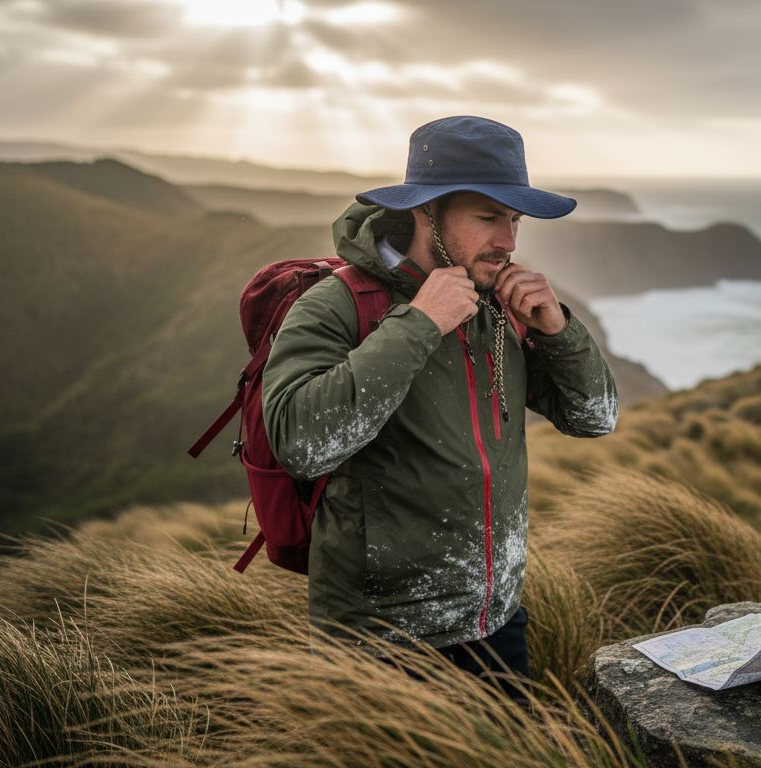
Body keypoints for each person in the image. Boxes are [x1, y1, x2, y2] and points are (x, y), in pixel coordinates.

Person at [261, 116, 618, 698]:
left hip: (495, 619)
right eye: (487, 217)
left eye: (514, 219)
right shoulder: (339, 305)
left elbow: (595, 417)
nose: (508, 239)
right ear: (426, 213)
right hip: (378, 639)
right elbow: (301, 443)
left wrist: (557, 331)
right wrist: (421, 323)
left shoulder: (498, 305)